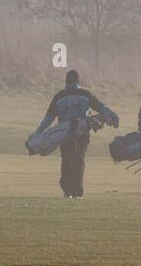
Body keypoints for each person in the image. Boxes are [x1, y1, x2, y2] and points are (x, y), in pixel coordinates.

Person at [33, 70, 119, 198]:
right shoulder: (85, 94)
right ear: (78, 81)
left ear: (66, 81)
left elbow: (48, 119)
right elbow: (102, 108)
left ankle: (67, 190)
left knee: (67, 159)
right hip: (82, 133)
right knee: (79, 159)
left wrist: (37, 133)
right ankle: (78, 191)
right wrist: (114, 116)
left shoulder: (59, 96)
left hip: (64, 134)